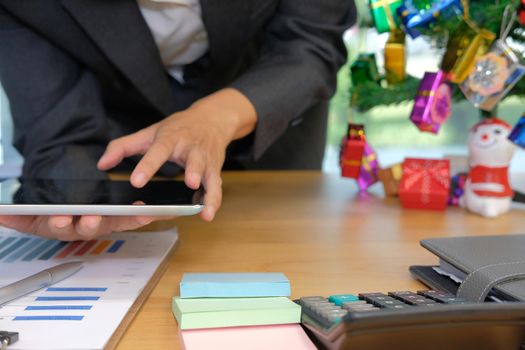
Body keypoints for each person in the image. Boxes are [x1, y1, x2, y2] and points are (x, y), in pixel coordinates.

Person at [0, 1, 356, 240]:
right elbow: (56, 121)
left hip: (272, 132)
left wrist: (217, 118)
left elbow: (311, 41)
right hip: (122, 148)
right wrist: (68, 203)